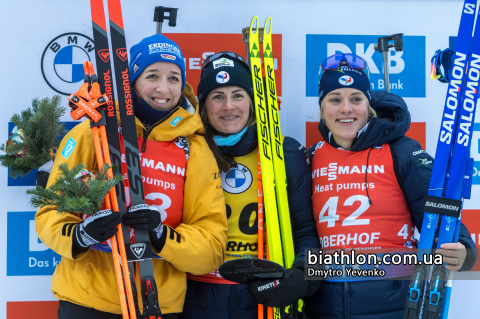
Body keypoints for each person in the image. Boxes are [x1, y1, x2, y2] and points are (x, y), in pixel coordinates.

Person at [35, 34, 228, 319]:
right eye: (152, 75)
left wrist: (163, 236)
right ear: (131, 81)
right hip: (87, 301)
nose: (164, 88)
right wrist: (81, 235)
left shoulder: (195, 148)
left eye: (174, 78)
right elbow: (51, 212)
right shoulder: (93, 132)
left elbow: (212, 246)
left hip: (156, 304)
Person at [305, 53, 478, 318]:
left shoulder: (400, 151)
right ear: (321, 107)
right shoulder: (310, 157)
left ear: (369, 104)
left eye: (356, 99)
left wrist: (463, 247)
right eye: (334, 99)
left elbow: (436, 210)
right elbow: (301, 232)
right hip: (325, 307)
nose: (346, 109)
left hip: (394, 304)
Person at [179, 51, 321, 319]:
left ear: (252, 102)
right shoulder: (187, 152)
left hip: (264, 296)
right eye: (217, 97)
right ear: (203, 106)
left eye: (238, 95)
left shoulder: (283, 152)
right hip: (197, 297)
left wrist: (303, 275)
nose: (228, 106)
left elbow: (306, 231)